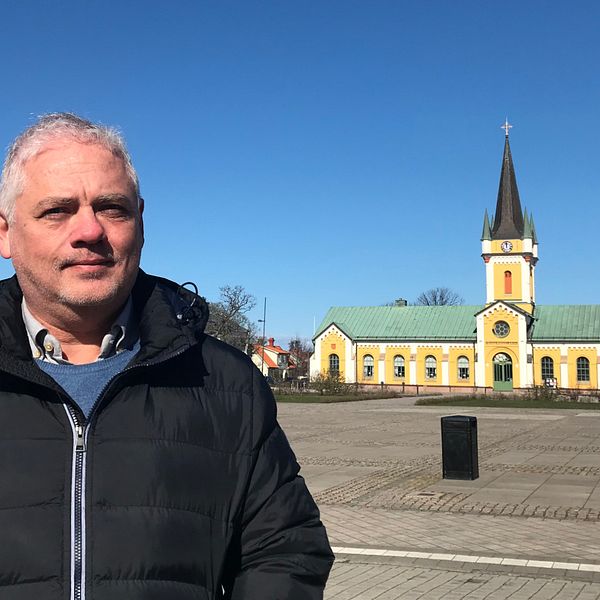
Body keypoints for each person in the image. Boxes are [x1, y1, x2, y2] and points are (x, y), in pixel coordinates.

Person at [0, 113, 333, 600]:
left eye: (113, 208)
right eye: (58, 210)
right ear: (6, 234)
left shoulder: (223, 382)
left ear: (140, 221)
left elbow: (285, 548)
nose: (90, 230)